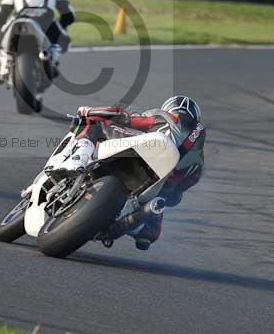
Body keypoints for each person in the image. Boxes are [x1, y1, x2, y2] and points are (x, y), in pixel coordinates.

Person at [44, 95, 206, 250]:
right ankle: (129, 223)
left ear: (169, 107)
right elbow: (175, 197)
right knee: (150, 234)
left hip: (136, 155)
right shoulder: (197, 163)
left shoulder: (165, 117)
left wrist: (89, 111)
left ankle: (77, 160)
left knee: (94, 121)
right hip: (152, 186)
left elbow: (128, 118)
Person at [0, 0, 76, 84]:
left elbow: (0, 13)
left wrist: (0, 26)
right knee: (64, 40)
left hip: (20, 20)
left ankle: (4, 67)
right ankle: (52, 58)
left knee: (0, 39)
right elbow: (69, 14)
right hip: (46, 21)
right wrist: (62, 25)